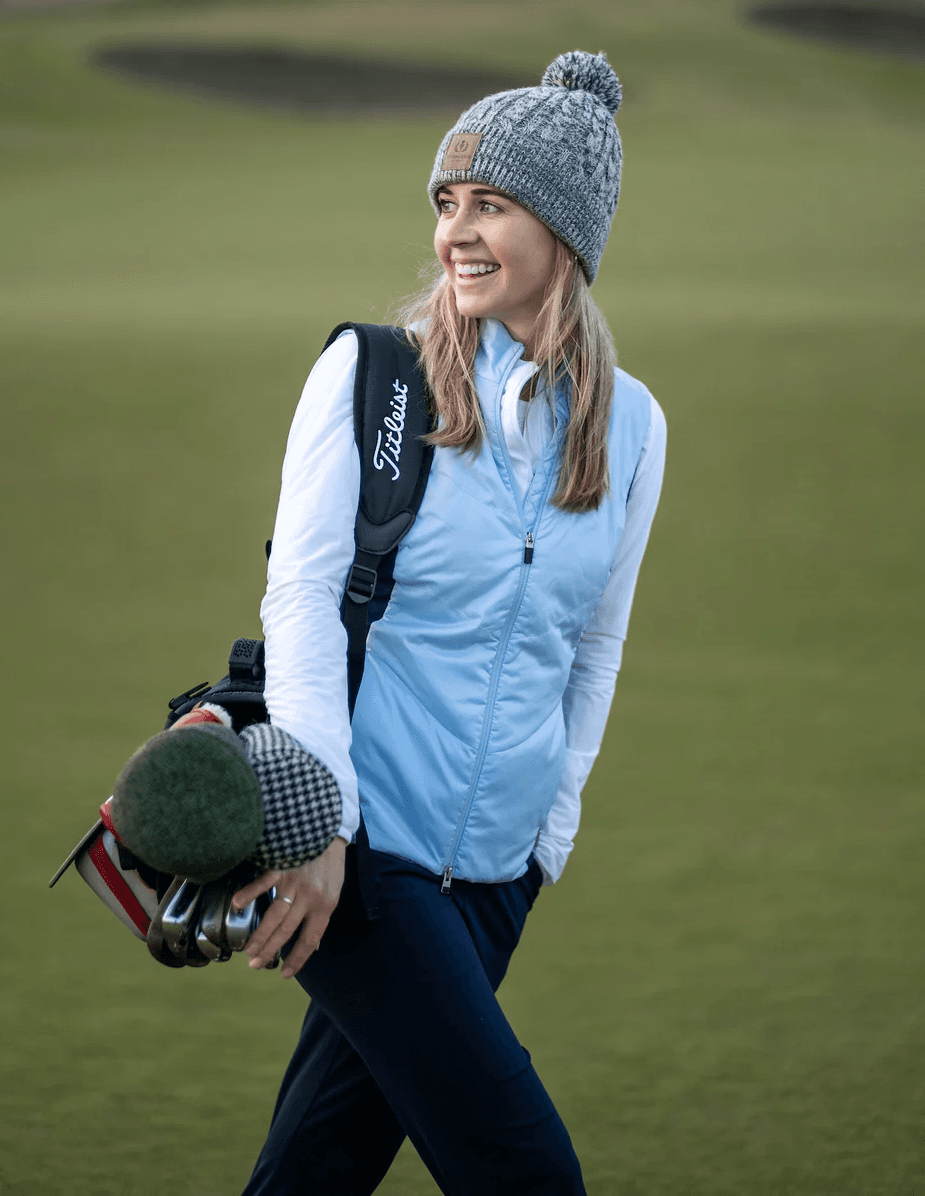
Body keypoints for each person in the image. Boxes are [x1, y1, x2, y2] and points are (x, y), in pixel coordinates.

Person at [232, 50, 667, 1196]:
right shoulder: (369, 377)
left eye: (491, 205)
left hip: (498, 870)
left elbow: (594, 642)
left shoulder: (633, 429)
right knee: (526, 1170)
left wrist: (547, 838)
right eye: (446, 204)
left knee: (316, 1167)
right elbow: (303, 601)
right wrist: (318, 820)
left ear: (564, 232)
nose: (456, 233)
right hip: (366, 852)